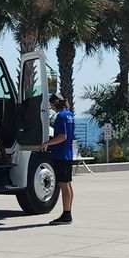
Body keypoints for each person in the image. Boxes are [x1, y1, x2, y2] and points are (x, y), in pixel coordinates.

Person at [41, 94, 75, 225]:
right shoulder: (69, 115)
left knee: (63, 185)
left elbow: (62, 136)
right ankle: (68, 212)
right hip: (68, 154)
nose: (51, 107)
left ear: (55, 103)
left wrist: (46, 143)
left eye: (51, 105)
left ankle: (66, 214)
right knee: (68, 184)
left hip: (61, 155)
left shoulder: (61, 116)